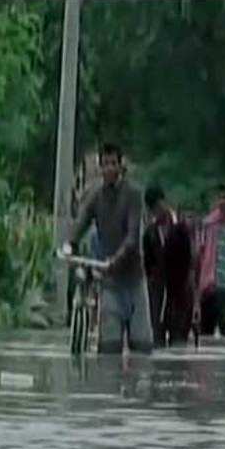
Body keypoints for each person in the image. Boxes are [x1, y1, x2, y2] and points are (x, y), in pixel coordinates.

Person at [63, 143, 153, 354]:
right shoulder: (96, 196)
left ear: (120, 166)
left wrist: (115, 259)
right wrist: (69, 245)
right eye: (105, 164)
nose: (109, 169)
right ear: (100, 167)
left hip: (134, 282)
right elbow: (81, 222)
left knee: (141, 349)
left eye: (113, 163)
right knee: (108, 351)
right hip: (110, 284)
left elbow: (132, 237)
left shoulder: (133, 194)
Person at [142, 185, 195, 347]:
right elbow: (147, 266)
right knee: (156, 342)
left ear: (164, 202)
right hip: (157, 295)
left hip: (179, 295)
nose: (157, 211)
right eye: (153, 209)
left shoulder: (181, 228)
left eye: (159, 206)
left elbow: (190, 262)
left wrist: (193, 295)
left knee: (178, 343)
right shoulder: (150, 233)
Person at [194, 184, 225, 337]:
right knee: (205, 337)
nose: (223, 201)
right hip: (207, 289)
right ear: (215, 200)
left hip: (224, 287)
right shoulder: (207, 225)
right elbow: (199, 259)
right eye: (220, 198)